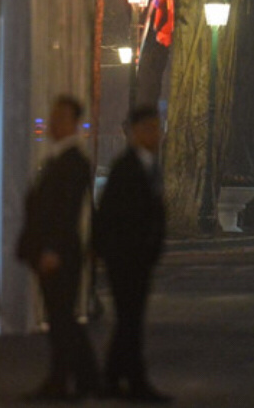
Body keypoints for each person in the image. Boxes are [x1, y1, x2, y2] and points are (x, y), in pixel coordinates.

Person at [17, 95, 99, 400]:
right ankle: (84, 378)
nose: (52, 122)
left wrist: (51, 249)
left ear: (73, 123)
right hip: (56, 251)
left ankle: (64, 380)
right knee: (62, 318)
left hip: (59, 253)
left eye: (59, 117)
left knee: (62, 319)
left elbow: (65, 212)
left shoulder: (72, 162)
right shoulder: (60, 159)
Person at [94, 105, 171, 403]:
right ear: (135, 132)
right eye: (150, 129)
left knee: (129, 320)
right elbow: (110, 215)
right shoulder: (125, 168)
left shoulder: (150, 166)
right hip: (125, 258)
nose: (156, 135)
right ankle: (136, 383)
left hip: (140, 258)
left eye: (158, 128)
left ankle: (112, 379)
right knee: (131, 321)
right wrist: (111, 251)